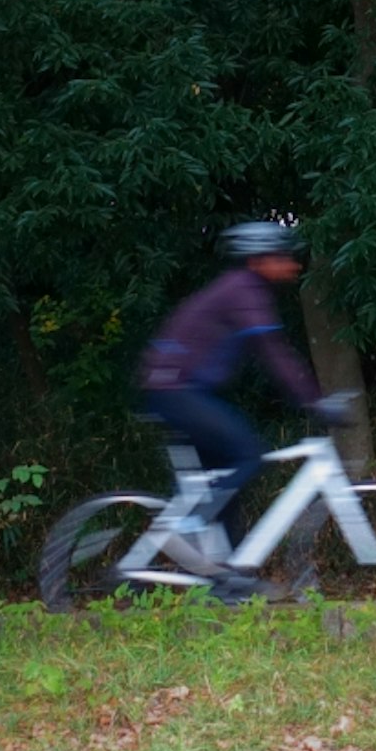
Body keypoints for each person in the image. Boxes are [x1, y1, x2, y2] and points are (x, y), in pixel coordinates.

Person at [134, 219, 357, 599]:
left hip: (179, 389)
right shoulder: (243, 292)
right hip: (174, 391)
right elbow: (275, 355)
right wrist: (313, 402)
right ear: (259, 260)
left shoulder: (244, 290)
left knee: (228, 479)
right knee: (247, 454)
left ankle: (228, 579)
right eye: (284, 256)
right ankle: (187, 526)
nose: (293, 264)